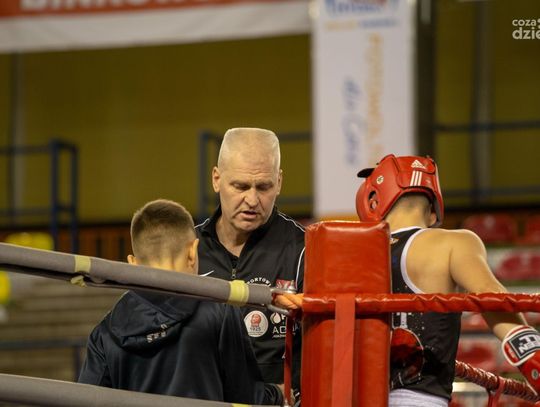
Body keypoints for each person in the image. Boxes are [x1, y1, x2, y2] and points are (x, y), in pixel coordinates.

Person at [276, 154, 540, 406]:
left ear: (373, 199)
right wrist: (534, 361)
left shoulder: (347, 255)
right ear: (433, 212)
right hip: (419, 399)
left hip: (348, 398)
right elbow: (492, 298)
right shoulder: (452, 243)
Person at [78, 199, 284, 405]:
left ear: (132, 263)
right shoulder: (220, 311)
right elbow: (247, 397)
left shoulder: (105, 332)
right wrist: (279, 394)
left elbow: (86, 401)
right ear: (193, 252)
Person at [196, 128, 305, 393]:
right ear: (216, 179)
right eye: (241, 186)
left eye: (264, 187)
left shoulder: (304, 250)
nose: (252, 200)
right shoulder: (189, 249)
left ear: (279, 182)